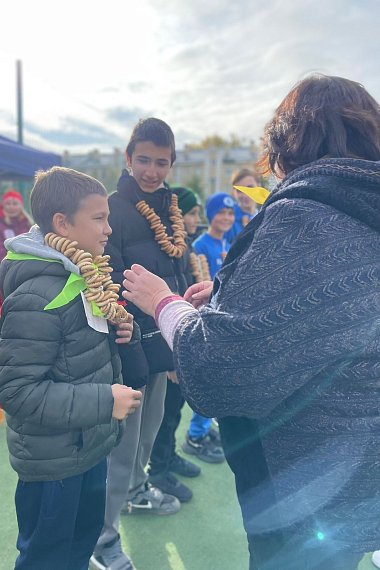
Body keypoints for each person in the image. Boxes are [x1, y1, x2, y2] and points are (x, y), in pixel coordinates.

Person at [121, 74, 380, 570]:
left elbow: (225, 369)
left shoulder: (307, 212)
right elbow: (318, 316)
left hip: (304, 482)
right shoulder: (361, 204)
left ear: (289, 139)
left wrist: (163, 302)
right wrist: (227, 297)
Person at [0, 166, 142, 570]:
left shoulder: (84, 276)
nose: (109, 229)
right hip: (53, 464)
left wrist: (120, 334)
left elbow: (76, 357)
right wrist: (103, 401)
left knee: (79, 545)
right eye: (99, 218)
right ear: (62, 223)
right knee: (46, 557)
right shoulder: (37, 294)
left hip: (87, 448)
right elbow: (17, 391)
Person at [91, 118, 189, 570]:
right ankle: (104, 539)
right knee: (123, 445)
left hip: (164, 341)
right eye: (144, 160)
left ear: (171, 164)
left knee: (148, 435)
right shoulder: (112, 209)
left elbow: (180, 276)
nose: (152, 170)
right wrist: (128, 354)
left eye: (161, 162)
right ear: (128, 159)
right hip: (130, 344)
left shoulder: (170, 205)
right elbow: (111, 285)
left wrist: (179, 347)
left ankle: (134, 494)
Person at [147, 186, 203, 502]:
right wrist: (170, 355)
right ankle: (157, 470)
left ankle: (169, 457)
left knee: (176, 408)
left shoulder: (185, 245)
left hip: (183, 336)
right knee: (165, 413)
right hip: (169, 343)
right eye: (191, 213)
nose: (196, 219)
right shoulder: (166, 247)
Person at [180, 192, 235, 464]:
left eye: (230, 214)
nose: (226, 218)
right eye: (220, 213)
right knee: (206, 379)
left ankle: (202, 428)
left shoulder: (225, 241)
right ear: (210, 216)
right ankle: (194, 436)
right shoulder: (200, 244)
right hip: (205, 320)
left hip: (219, 317)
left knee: (216, 381)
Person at [0, 189, 32, 268]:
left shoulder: (27, 224)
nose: (11, 207)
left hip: (26, 266)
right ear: (3, 205)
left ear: (21, 205)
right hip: (5, 267)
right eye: (8, 203)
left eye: (15, 203)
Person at [225, 169, 259, 243]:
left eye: (250, 188)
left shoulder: (264, 216)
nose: (246, 195)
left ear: (259, 187)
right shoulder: (227, 219)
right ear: (234, 192)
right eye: (240, 190)